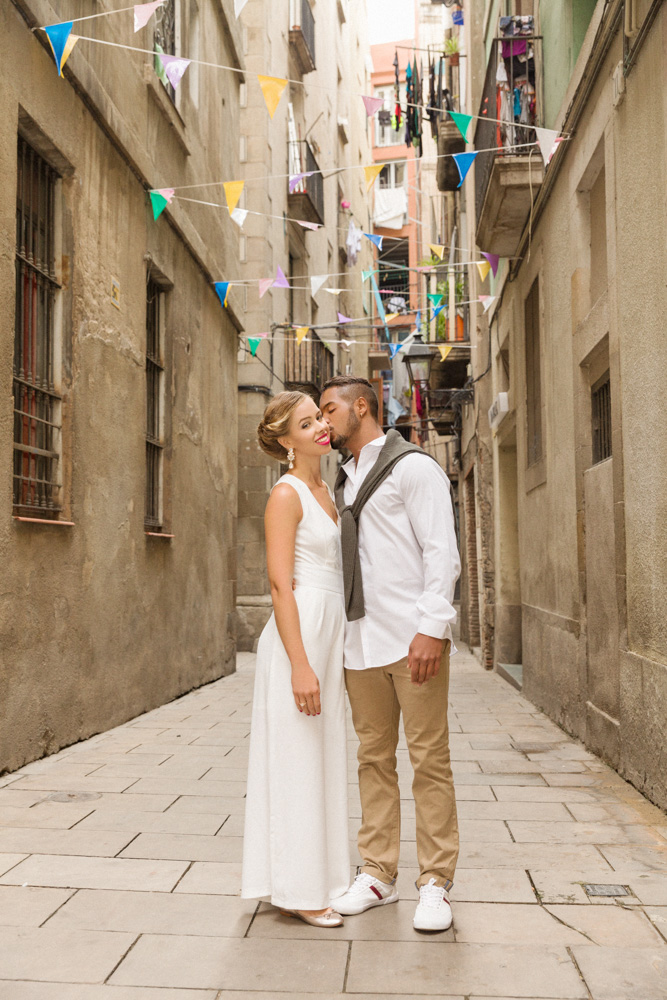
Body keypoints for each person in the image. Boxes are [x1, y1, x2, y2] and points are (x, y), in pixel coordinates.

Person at [319, 375, 461, 933]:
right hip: (360, 645)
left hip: (412, 641)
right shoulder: (344, 477)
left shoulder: (414, 468)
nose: (325, 421)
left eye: (330, 410)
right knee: (373, 759)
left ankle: (435, 883)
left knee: (429, 760)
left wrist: (432, 628)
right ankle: (378, 873)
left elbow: (441, 553)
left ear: (362, 407)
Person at [241, 390, 350, 928]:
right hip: (299, 635)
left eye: (321, 418)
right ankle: (299, 890)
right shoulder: (285, 495)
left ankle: (318, 876)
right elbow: (281, 585)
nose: (320, 429)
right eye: (306, 425)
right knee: (297, 759)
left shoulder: (327, 488)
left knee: (322, 755)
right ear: (286, 441)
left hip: (329, 632)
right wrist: (300, 664)